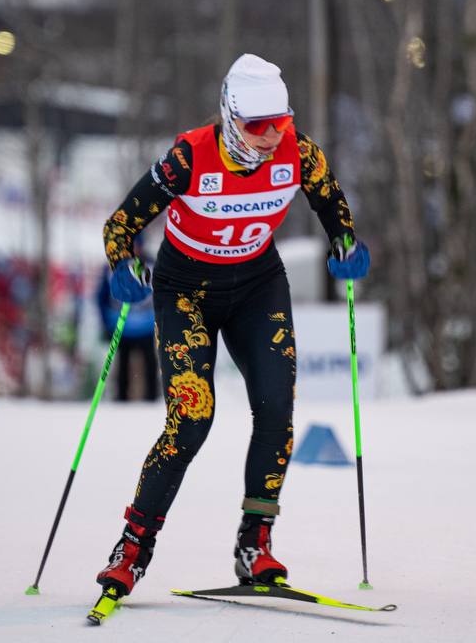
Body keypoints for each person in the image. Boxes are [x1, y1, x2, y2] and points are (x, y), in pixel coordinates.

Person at [92, 53, 370, 604]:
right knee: (192, 419)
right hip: (185, 292)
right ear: (230, 116)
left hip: (256, 287)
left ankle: (255, 544)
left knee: (275, 408)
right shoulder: (188, 158)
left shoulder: (299, 153)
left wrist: (347, 246)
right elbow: (121, 223)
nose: (270, 138)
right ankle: (131, 547)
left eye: (280, 124)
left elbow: (333, 206)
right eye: (257, 126)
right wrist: (122, 266)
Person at [95, 238, 159, 402]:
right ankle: (121, 400)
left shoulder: (151, 264)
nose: (135, 249)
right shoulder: (113, 267)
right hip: (122, 325)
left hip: (146, 325)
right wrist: (105, 322)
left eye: (137, 245)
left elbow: (161, 294)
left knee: (149, 363)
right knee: (123, 365)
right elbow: (101, 296)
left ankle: (151, 400)